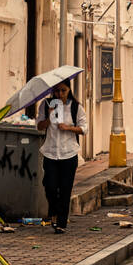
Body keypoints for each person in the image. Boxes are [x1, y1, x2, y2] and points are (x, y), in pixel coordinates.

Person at [36, 77, 88, 233]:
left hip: (69, 153)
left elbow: (84, 129)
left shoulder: (76, 107)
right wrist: (49, 116)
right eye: (57, 91)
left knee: (65, 189)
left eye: (63, 91)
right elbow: (39, 126)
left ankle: (61, 224)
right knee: (50, 186)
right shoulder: (46, 105)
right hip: (50, 152)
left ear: (69, 90)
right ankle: (54, 211)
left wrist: (69, 128)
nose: (60, 94)